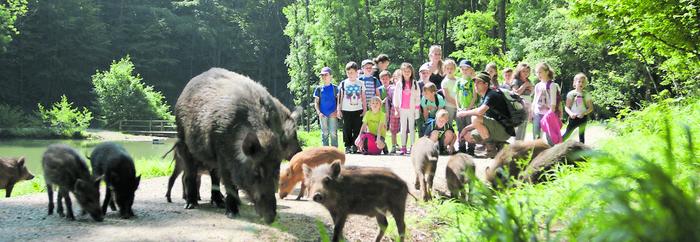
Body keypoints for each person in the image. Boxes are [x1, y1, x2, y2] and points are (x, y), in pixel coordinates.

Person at [456, 72, 515, 158]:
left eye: (478, 82)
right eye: (475, 82)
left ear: (486, 84)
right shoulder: (483, 98)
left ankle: (491, 149)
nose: (475, 85)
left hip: (504, 130)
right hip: (496, 127)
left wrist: (464, 113)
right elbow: (482, 121)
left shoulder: (492, 95)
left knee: (475, 117)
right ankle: (501, 145)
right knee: (468, 136)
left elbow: (479, 112)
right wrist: (466, 128)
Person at [337, 61, 367, 154]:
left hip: (358, 109)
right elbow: (340, 97)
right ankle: (347, 145)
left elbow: (363, 97)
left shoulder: (361, 83)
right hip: (346, 110)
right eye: (348, 72)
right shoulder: (343, 83)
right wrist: (339, 109)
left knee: (357, 128)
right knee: (347, 128)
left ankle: (355, 145)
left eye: (352, 72)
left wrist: (365, 109)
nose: (350, 74)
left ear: (357, 72)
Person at [392, 62, 421, 155]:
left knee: (412, 128)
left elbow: (417, 96)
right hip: (402, 109)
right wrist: (396, 109)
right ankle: (403, 147)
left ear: (412, 72)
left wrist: (417, 109)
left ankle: (413, 146)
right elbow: (395, 97)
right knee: (403, 128)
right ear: (402, 72)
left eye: (409, 71)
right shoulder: (399, 84)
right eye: (405, 71)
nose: (407, 73)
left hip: (412, 109)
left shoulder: (415, 83)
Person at [531, 62, 561, 140]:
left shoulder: (552, 85)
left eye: (540, 72)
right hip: (538, 113)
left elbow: (553, 103)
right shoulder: (537, 85)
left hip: (548, 114)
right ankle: (537, 152)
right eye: (537, 72)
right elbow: (535, 100)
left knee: (550, 138)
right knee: (536, 136)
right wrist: (531, 112)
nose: (538, 74)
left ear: (547, 72)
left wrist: (550, 114)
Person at [562, 73, 593, 143]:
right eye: (579, 81)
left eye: (583, 82)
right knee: (567, 134)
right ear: (575, 83)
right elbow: (567, 107)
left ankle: (582, 151)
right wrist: (571, 113)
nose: (581, 83)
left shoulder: (586, 94)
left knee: (581, 136)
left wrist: (584, 113)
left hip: (583, 117)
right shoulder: (571, 94)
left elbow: (590, 108)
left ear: (585, 84)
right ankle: (558, 146)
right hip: (573, 117)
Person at [455, 59, 478, 154]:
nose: (464, 70)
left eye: (467, 68)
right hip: (461, 109)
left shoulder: (473, 82)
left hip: (470, 109)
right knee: (461, 128)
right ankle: (461, 146)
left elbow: (474, 96)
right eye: (462, 69)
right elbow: (456, 95)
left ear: (471, 70)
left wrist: (469, 108)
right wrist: (458, 107)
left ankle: (471, 147)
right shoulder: (458, 82)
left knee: (470, 128)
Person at [313, 67, 339, 147]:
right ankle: (326, 153)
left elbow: (339, 101)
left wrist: (336, 112)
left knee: (333, 133)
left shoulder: (335, 88)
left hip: (333, 114)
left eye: (326, 75)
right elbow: (316, 103)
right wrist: (319, 113)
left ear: (330, 76)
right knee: (325, 133)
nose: (324, 77)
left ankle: (335, 153)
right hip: (323, 115)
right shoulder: (318, 89)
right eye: (322, 75)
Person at [511, 63, 534, 141]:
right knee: (519, 125)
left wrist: (531, 89)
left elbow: (530, 93)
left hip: (528, 104)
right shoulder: (516, 81)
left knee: (524, 125)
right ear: (519, 71)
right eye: (523, 71)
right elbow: (515, 93)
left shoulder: (529, 80)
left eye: (527, 71)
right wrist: (524, 85)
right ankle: (516, 145)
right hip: (519, 104)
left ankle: (521, 144)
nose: (526, 73)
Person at [441, 59, 459, 127]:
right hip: (449, 106)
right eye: (447, 68)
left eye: (451, 68)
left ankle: (460, 137)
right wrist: (458, 104)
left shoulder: (458, 80)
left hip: (459, 106)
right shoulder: (445, 82)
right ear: (444, 69)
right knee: (449, 124)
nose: (449, 70)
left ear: (454, 69)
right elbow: (447, 97)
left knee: (460, 124)